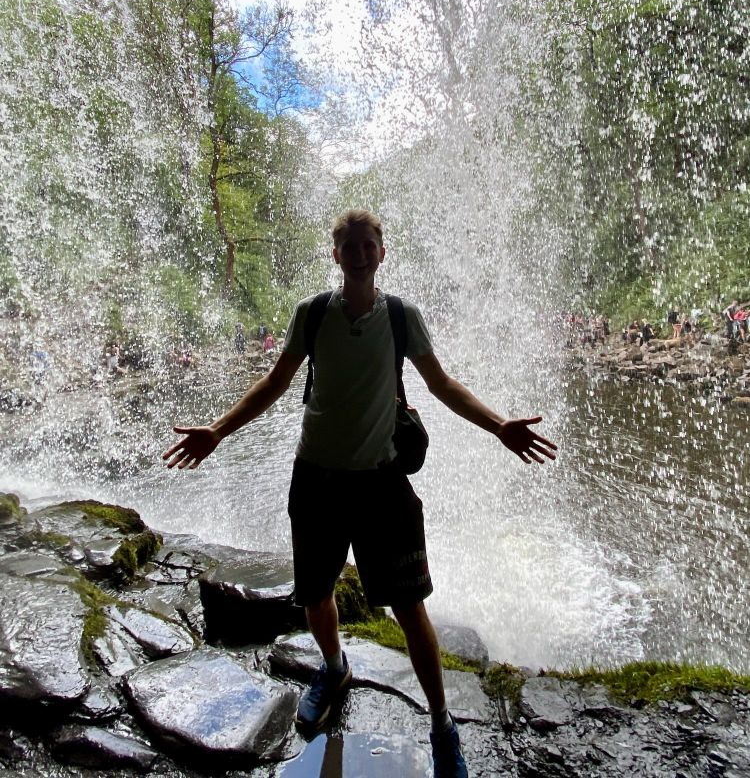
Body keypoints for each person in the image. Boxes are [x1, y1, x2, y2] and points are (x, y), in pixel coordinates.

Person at [163, 209, 557, 778]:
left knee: (409, 605)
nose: (358, 252)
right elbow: (275, 383)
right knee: (317, 592)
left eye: (367, 243)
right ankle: (334, 666)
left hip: (381, 483)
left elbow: (442, 384)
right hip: (316, 476)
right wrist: (218, 432)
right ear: (335, 254)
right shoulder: (312, 314)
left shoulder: (401, 317)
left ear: (381, 252)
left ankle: (442, 722)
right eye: (348, 244)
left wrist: (499, 427)